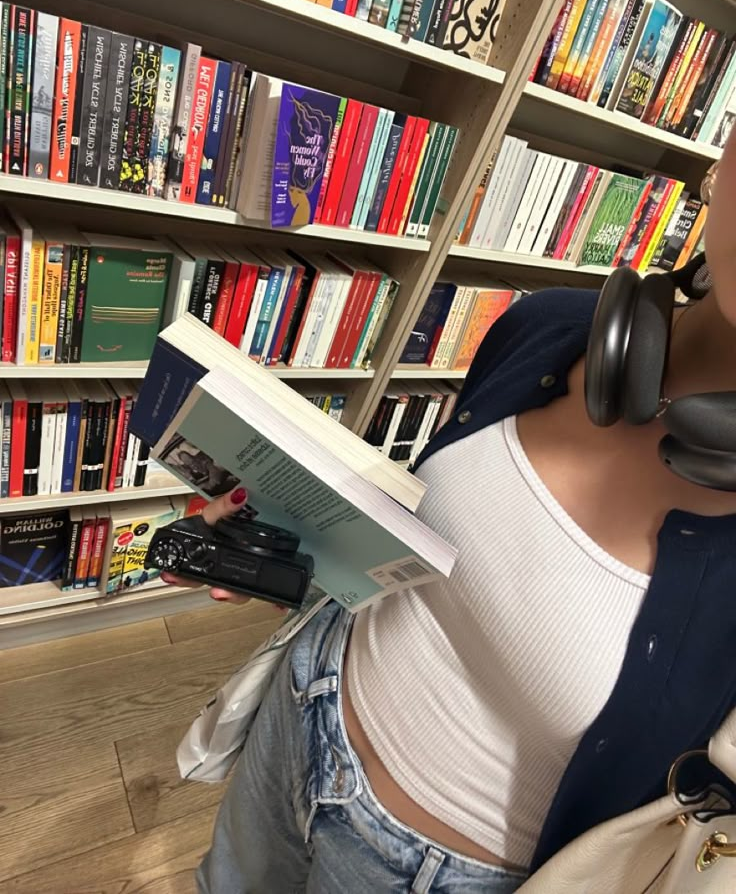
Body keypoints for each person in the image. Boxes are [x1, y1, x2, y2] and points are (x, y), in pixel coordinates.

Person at [165, 125, 736, 894]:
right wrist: (284, 529)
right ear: (722, 154)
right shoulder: (551, 328)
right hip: (304, 708)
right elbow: (429, 551)